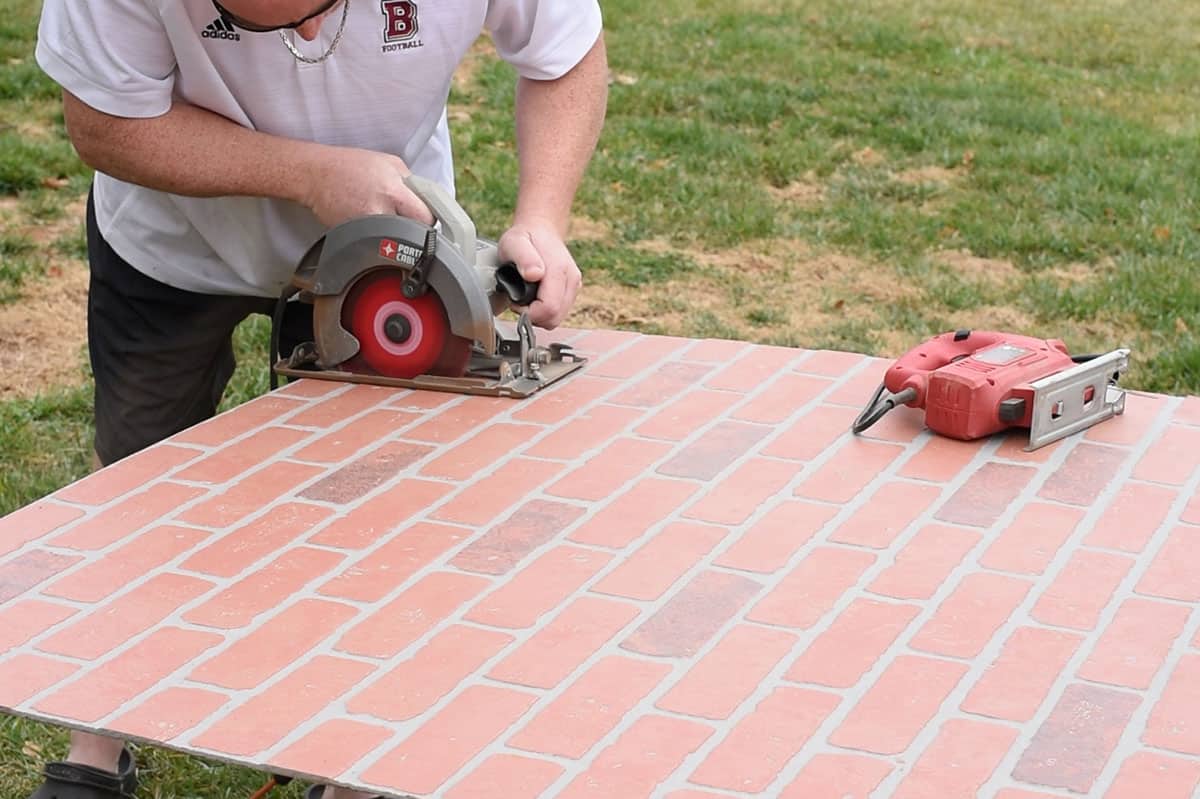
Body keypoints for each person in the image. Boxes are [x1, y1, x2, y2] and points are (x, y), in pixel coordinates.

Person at [29, 0, 608, 797]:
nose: (302, 40)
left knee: (387, 492)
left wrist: (542, 217)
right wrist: (308, 171)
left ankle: (352, 758)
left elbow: (565, 52)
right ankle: (97, 731)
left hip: (384, 253)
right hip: (174, 242)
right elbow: (105, 124)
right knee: (137, 474)